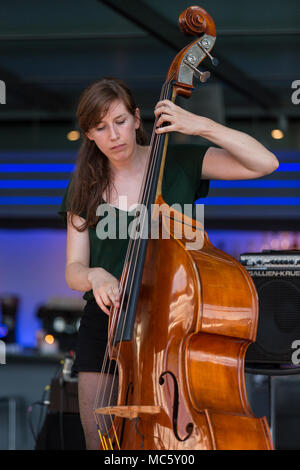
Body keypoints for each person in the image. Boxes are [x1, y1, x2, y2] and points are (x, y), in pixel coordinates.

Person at [58, 77, 279, 450]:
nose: (113, 135)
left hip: (174, 319)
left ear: (138, 118)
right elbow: (73, 269)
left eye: (120, 121)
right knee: (99, 441)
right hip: (108, 321)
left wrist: (200, 126)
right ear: (89, 135)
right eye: (100, 127)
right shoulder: (84, 185)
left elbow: (265, 163)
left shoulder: (178, 163)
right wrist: (94, 275)